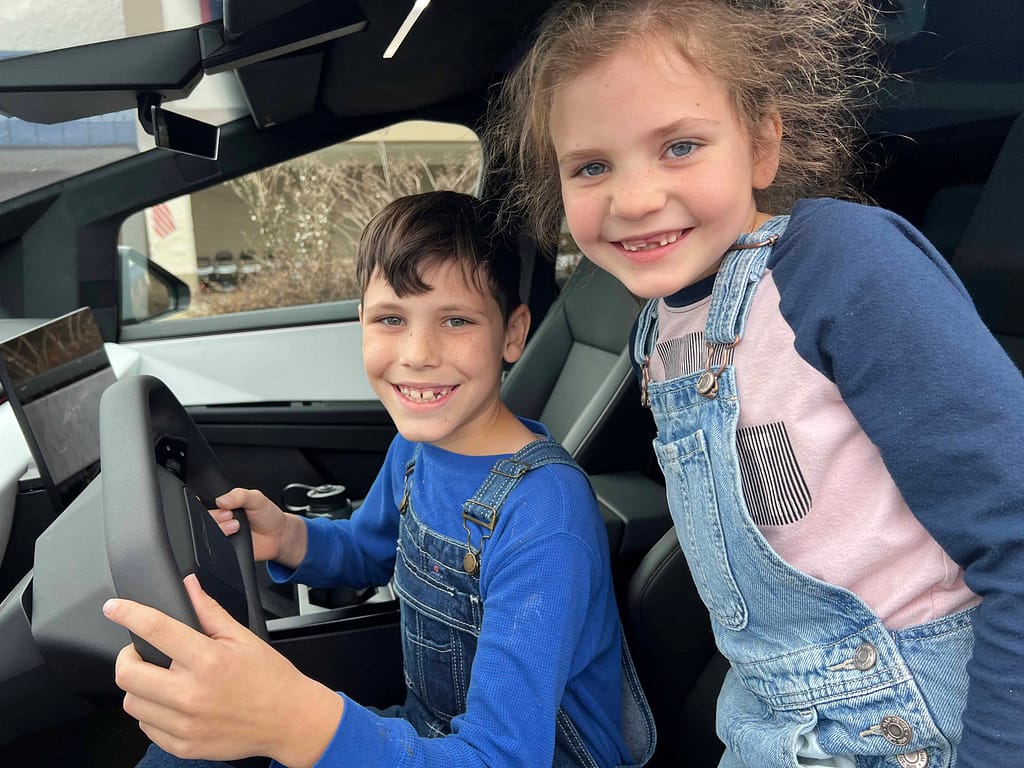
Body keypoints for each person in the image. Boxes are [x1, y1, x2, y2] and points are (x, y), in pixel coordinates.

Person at [486, 1, 1024, 766]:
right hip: (769, 720)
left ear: (762, 143)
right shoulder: (663, 321)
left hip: (918, 723)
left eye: (679, 146)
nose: (634, 199)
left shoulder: (841, 264)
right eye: (592, 166)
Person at [103, 190, 655, 768]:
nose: (417, 353)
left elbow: (505, 757)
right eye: (391, 319)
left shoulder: (544, 515)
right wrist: (289, 537)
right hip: (429, 737)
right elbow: (368, 550)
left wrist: (293, 723)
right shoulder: (417, 450)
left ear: (513, 334)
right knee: (183, 755)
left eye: (457, 320)